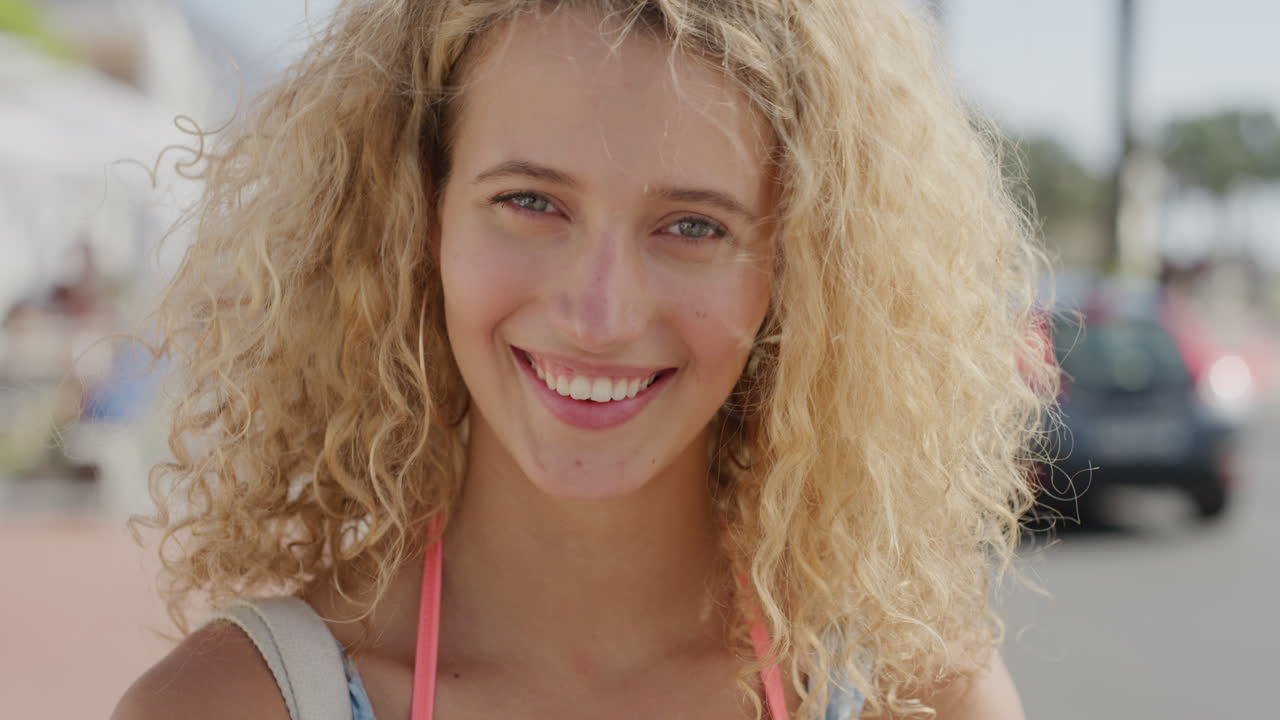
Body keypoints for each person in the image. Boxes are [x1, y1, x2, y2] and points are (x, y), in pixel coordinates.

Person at [113, 1, 1056, 718]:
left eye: (694, 225)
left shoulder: (916, 693)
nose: (600, 315)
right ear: (419, 217)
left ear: (799, 268)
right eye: (531, 202)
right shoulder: (233, 705)